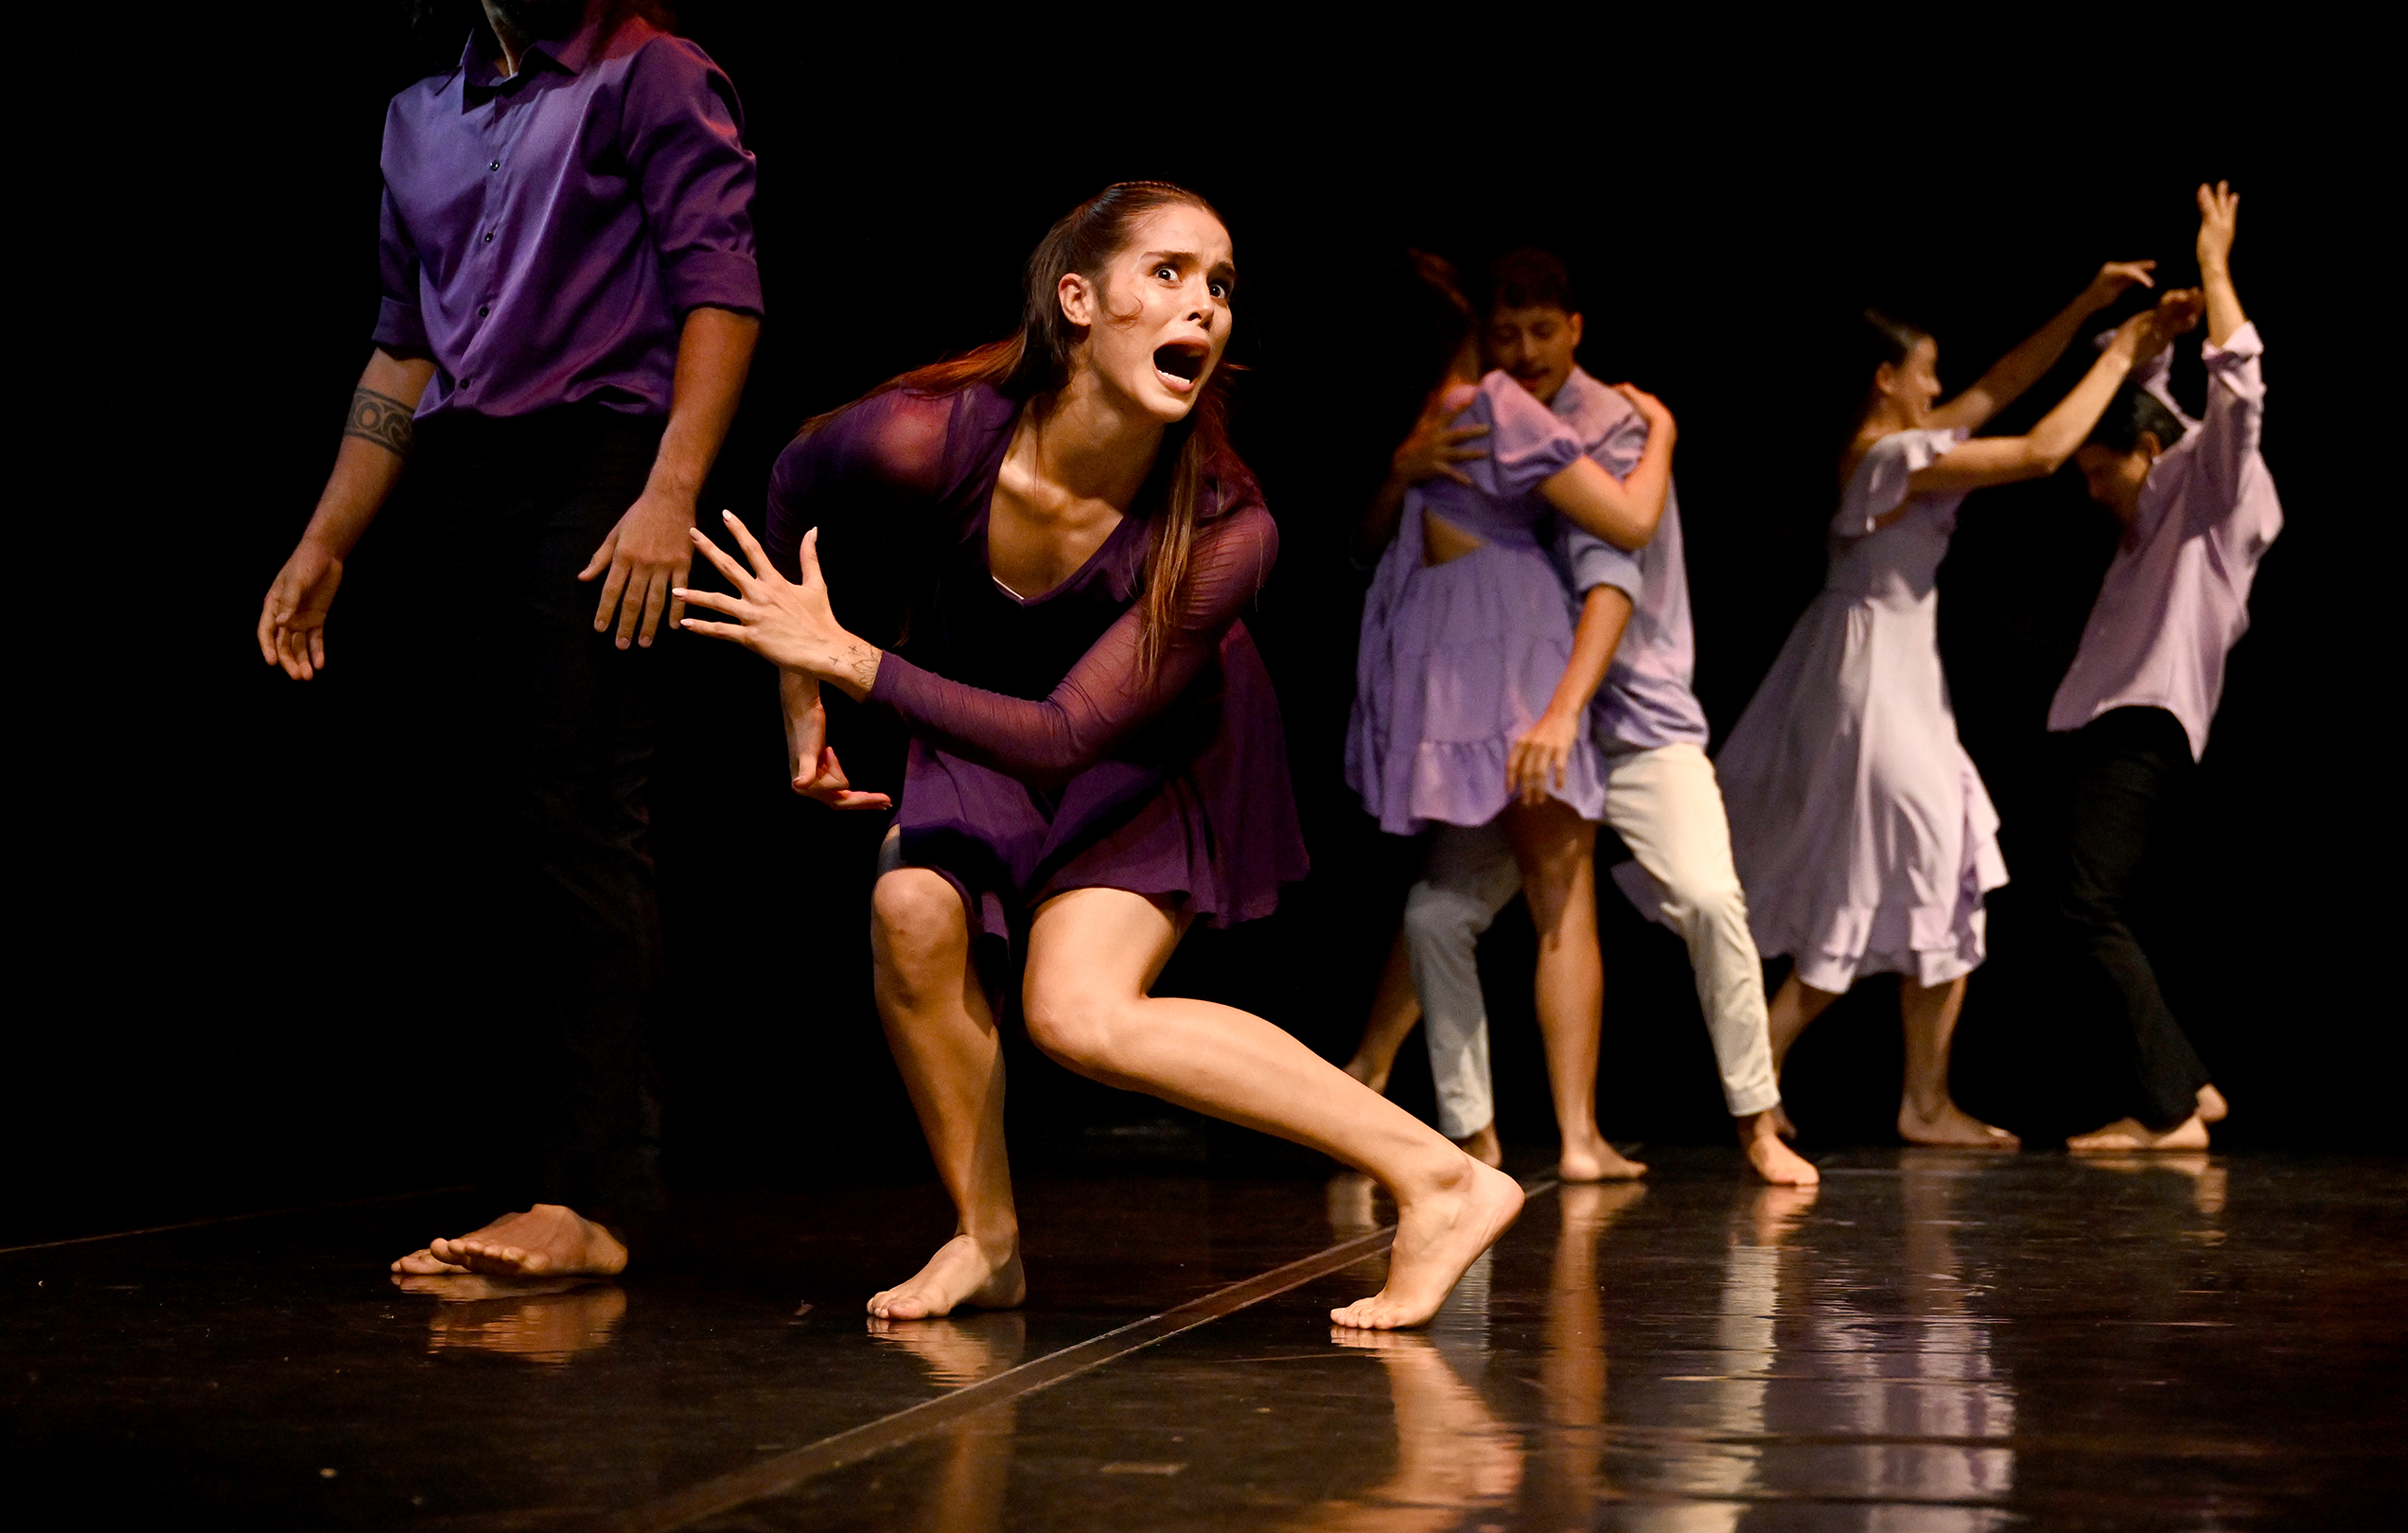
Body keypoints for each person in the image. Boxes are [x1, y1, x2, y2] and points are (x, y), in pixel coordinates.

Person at [677, 184, 1525, 1330]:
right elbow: (793, 479)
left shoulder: (1228, 524)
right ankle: (986, 1239)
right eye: (1168, 272)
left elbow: (1067, 736)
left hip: (1150, 745)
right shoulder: (927, 434)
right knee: (910, 909)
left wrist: (852, 663)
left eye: (1220, 283)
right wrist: (801, 695)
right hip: (981, 703)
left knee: (1078, 1013)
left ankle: (1440, 1176)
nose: (1204, 303)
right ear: (1076, 300)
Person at [254, 0, 764, 1278]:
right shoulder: (418, 120)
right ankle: (527, 1176)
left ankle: (593, 1200)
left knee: (581, 818)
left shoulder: (653, 76)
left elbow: (721, 291)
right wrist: (326, 542)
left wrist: (669, 491)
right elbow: (401, 346)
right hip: (469, 477)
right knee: (492, 834)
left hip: (602, 461)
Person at [1343, 251, 1812, 1186]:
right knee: (1437, 912)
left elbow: (1614, 572)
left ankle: (1757, 1121)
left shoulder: (1611, 423)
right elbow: (1379, 548)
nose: (1525, 351)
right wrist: (1401, 472)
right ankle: (1464, 1127)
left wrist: (1664, 429)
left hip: (1626, 717)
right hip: (1523, 717)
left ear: (1575, 329)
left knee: (1707, 897)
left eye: (1541, 331)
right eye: (1506, 334)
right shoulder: (1470, 417)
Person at [1721, 266, 2200, 1147]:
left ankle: (1922, 1101)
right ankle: (1755, 1072)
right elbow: (2043, 450)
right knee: (1873, 882)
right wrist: (2123, 350)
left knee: (1945, 877)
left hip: (1901, 677)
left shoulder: (1899, 449)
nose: (1939, 386)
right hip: (1872, 683)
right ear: (1885, 379)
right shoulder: (1888, 458)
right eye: (1926, 372)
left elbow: (2001, 384)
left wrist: (2085, 306)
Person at [1343, 258, 1675, 1184]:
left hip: (1448, 661)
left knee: (1447, 898)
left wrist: (1399, 471)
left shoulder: (1433, 419)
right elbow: (1631, 521)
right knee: (1555, 891)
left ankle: (1429, 1100)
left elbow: (1364, 549)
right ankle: (1574, 1136)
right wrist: (1664, 433)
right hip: (1501, 656)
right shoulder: (1488, 406)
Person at [2048, 183, 2277, 1152]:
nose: (2094, 490)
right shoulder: (2163, 479)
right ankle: (2188, 1090)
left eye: (2101, 471)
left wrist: (2216, 269)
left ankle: (2171, 1109)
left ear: (2146, 451)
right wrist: (2156, 336)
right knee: (2085, 902)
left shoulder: (2214, 489)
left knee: (2086, 904)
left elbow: (2240, 394)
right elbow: (2153, 393)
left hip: (2146, 717)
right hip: (2112, 714)